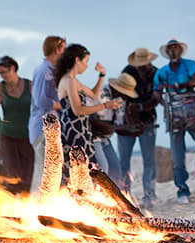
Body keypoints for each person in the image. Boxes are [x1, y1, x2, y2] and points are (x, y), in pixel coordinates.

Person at [153, 39, 195, 204]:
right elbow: (156, 91)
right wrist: (164, 103)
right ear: (167, 52)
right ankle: (182, 191)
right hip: (174, 116)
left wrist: (174, 85)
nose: (173, 50)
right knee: (177, 157)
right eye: (170, 48)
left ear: (181, 50)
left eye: (176, 47)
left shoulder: (190, 64)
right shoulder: (162, 71)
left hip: (194, 114)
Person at [54, 43, 122, 181]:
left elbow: (93, 94)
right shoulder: (69, 81)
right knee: (91, 171)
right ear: (77, 60)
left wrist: (101, 75)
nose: (87, 65)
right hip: (75, 132)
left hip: (82, 131)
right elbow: (78, 110)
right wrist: (105, 105)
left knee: (94, 170)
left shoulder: (74, 81)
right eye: (86, 61)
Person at [118, 48, 159, 209]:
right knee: (123, 161)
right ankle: (124, 195)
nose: (142, 67)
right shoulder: (127, 71)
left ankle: (150, 195)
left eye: (144, 64)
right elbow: (121, 95)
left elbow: (156, 99)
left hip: (148, 120)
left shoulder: (156, 73)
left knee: (149, 161)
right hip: (126, 123)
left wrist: (140, 107)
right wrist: (131, 116)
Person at [0, 56, 34, 195]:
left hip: (27, 136)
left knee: (28, 175)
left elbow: (40, 107)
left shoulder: (29, 85)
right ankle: (11, 209)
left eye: (3, 72)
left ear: (13, 69)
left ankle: (26, 208)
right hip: (8, 136)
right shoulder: (0, 87)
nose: (1, 76)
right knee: (12, 175)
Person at [87, 72, 138, 187]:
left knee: (115, 169)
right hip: (92, 137)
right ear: (117, 89)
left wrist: (130, 128)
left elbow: (116, 125)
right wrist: (104, 126)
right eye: (125, 94)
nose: (126, 97)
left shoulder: (121, 100)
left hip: (105, 139)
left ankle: (114, 199)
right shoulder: (99, 94)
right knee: (102, 169)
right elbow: (85, 115)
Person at [28, 36, 66, 192]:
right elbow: (41, 101)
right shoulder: (44, 71)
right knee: (44, 172)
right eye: (64, 49)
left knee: (50, 171)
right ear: (57, 50)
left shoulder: (52, 70)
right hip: (42, 127)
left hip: (48, 127)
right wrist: (63, 105)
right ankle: (36, 209)